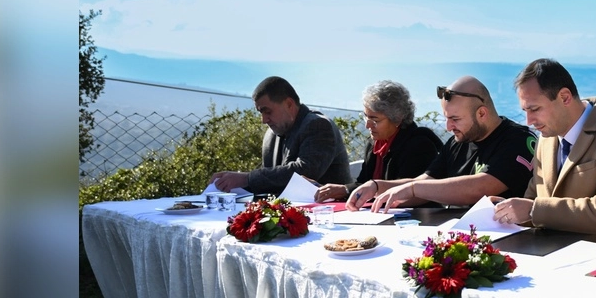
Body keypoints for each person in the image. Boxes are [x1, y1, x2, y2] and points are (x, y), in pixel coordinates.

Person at [493, 58, 596, 248]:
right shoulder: (546, 138)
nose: (529, 120)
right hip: (549, 256)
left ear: (565, 97)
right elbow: (533, 200)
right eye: (525, 110)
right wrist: (505, 209)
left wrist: (532, 210)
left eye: (535, 109)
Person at [347, 76, 537, 210]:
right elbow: (424, 183)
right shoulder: (459, 140)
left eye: (455, 119)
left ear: (481, 113)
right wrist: (377, 187)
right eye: (446, 118)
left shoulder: (518, 139)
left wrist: (413, 188)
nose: (448, 126)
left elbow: (482, 187)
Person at [210, 76, 351, 195]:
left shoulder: (318, 125)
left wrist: (247, 179)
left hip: (330, 216)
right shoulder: (271, 135)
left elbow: (304, 173)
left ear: (289, 104)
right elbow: (272, 179)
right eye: (261, 113)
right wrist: (230, 181)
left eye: (268, 111)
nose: (263, 120)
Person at [313, 81, 442, 203]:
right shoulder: (375, 144)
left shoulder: (418, 145)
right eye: (365, 116)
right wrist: (343, 189)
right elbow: (364, 183)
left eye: (375, 120)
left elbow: (406, 192)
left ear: (397, 119)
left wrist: (348, 190)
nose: (367, 125)